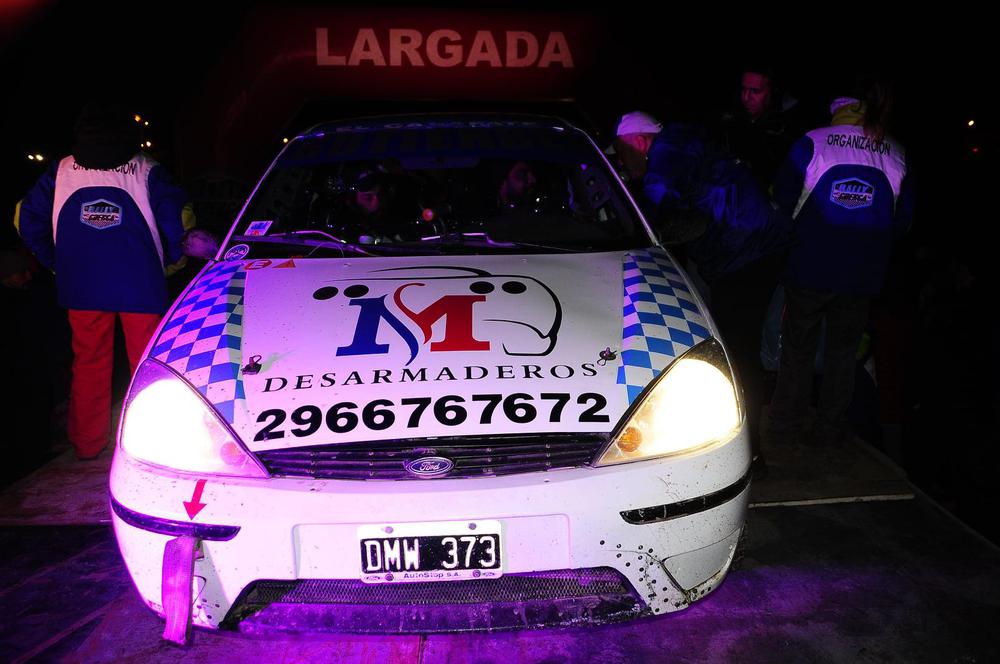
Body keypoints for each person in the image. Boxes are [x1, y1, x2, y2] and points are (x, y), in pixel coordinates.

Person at [613, 111, 792, 478]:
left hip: (746, 253)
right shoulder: (688, 143)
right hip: (755, 248)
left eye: (622, 152)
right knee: (738, 347)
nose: (622, 161)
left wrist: (629, 223)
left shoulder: (667, 151)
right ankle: (743, 444)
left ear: (640, 141)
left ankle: (749, 454)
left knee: (738, 352)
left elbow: (656, 203)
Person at [17, 103, 189, 460]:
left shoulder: (60, 169)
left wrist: (56, 263)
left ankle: (87, 443)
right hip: (141, 284)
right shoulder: (147, 169)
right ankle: (157, 444)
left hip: (82, 284)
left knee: (88, 361)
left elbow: (25, 218)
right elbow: (179, 223)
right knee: (147, 365)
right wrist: (171, 264)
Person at [764, 76, 914, 447]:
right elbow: (903, 221)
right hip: (863, 274)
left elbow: (782, 199)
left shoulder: (813, 142)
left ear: (836, 113)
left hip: (809, 267)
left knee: (797, 347)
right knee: (843, 353)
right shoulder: (895, 150)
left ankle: (785, 424)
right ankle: (829, 428)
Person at [718, 65, 802, 190]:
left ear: (773, 91)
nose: (746, 98)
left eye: (755, 91)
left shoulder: (789, 127)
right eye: (743, 89)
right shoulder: (731, 117)